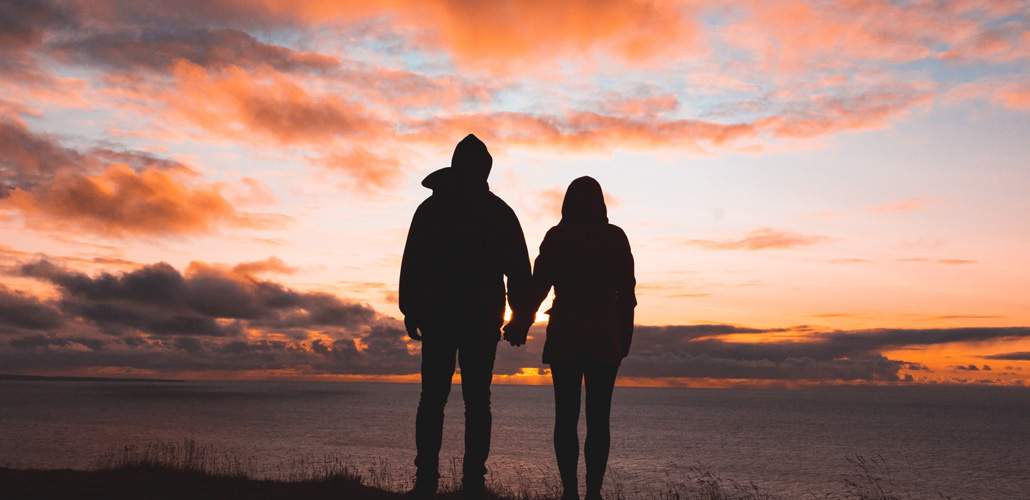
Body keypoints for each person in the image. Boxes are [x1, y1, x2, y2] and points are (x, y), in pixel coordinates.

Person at [399, 134, 534, 499]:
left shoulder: (435, 210)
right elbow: (519, 270)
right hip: (469, 317)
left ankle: (437, 480)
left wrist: (410, 307)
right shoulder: (496, 212)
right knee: (470, 401)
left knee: (438, 399)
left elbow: (413, 262)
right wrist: (519, 318)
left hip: (449, 316)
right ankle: (464, 481)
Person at [505, 176, 636, 500]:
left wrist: (521, 322)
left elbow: (538, 288)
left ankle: (570, 493)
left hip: (567, 333)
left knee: (565, 416)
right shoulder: (615, 237)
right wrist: (624, 336)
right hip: (605, 335)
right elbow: (628, 295)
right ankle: (592, 494)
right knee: (598, 418)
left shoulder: (558, 237)